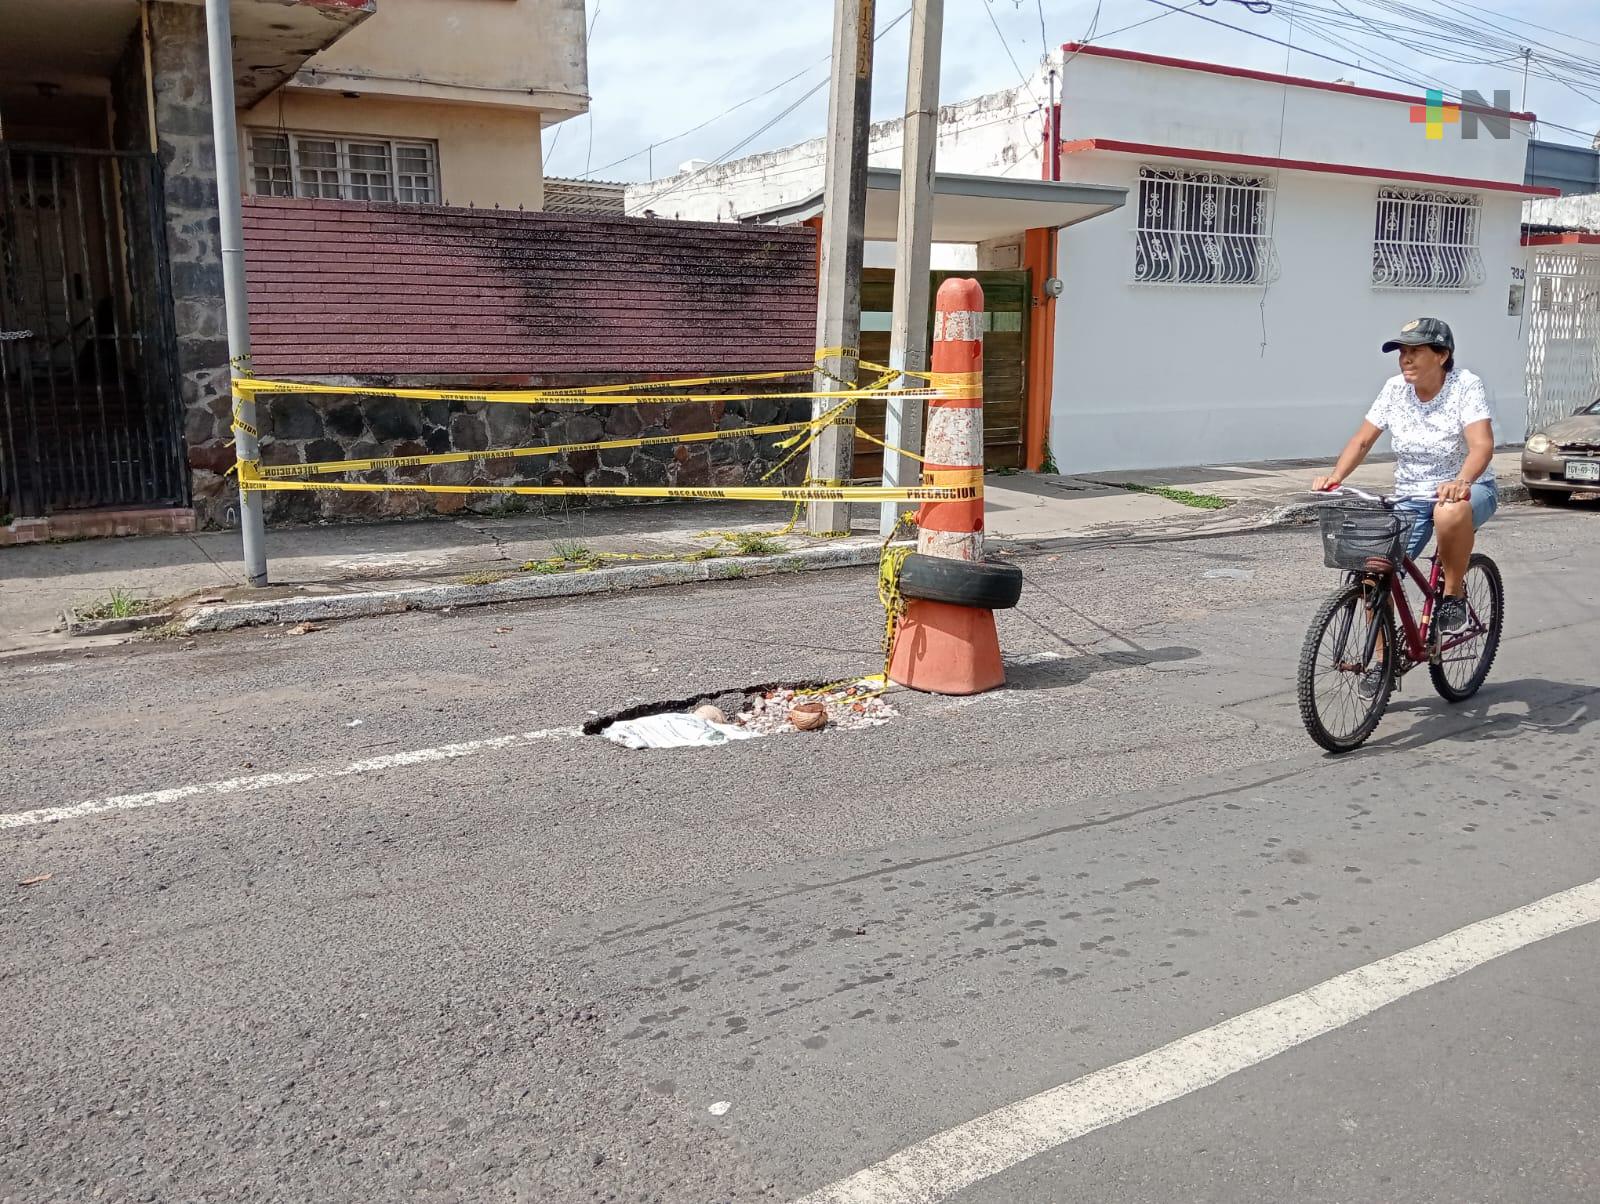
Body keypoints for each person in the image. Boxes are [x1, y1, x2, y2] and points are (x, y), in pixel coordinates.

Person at [1312, 317, 1497, 640]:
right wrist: (1335, 476)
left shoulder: (1464, 385)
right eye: (1401, 352)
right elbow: (1362, 440)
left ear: (1441, 356)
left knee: (1448, 511)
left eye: (1415, 351)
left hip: (1468, 489)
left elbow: (1481, 445)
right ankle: (1383, 662)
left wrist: (1462, 481)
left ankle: (1453, 597)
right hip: (1410, 496)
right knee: (1373, 571)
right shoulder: (1394, 389)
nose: (1405, 359)